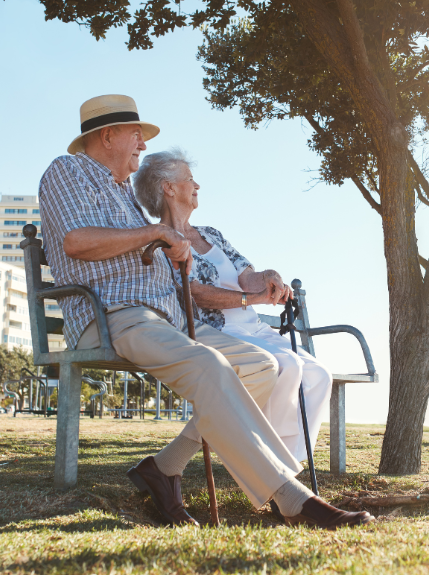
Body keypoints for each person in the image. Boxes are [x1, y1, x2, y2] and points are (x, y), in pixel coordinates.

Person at [38, 94, 373, 530]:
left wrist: (172, 257)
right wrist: (157, 233)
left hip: (169, 320)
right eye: (136, 134)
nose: (142, 143)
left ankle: (163, 468)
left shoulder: (125, 195)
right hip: (115, 314)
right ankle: (293, 498)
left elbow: (149, 248)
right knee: (212, 365)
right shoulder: (67, 171)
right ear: (107, 136)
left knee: (259, 367)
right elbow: (75, 242)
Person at [132, 149, 332, 464]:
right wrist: (250, 299)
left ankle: (290, 461)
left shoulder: (212, 235)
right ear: (168, 188)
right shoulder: (163, 242)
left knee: (319, 374)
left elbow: (247, 276)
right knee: (288, 368)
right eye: (189, 179)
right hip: (218, 331)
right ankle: (270, 461)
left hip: (253, 326)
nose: (197, 186)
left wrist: (268, 279)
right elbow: (194, 293)